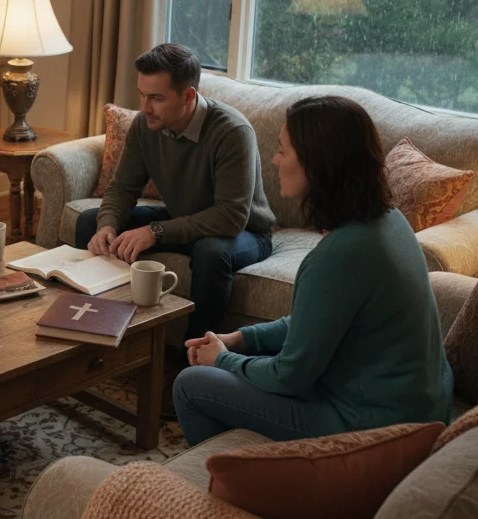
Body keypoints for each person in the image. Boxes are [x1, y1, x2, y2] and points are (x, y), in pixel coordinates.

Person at [173, 95, 454, 445]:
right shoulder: (389, 220)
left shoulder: (339, 255)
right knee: (242, 361)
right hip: (419, 408)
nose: (274, 160)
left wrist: (223, 360)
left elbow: (289, 377)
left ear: (318, 165)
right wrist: (240, 339)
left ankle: (240, 484)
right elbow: (315, 323)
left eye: (282, 150)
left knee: (190, 384)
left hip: (377, 428)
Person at [75, 43, 276, 345]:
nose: (144, 107)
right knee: (91, 223)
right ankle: (99, 332)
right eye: (142, 94)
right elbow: (123, 188)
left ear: (188, 96)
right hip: (184, 218)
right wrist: (107, 224)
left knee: (211, 252)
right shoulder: (145, 125)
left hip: (244, 231)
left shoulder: (232, 132)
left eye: (156, 98)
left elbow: (231, 217)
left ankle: (195, 358)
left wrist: (155, 231)